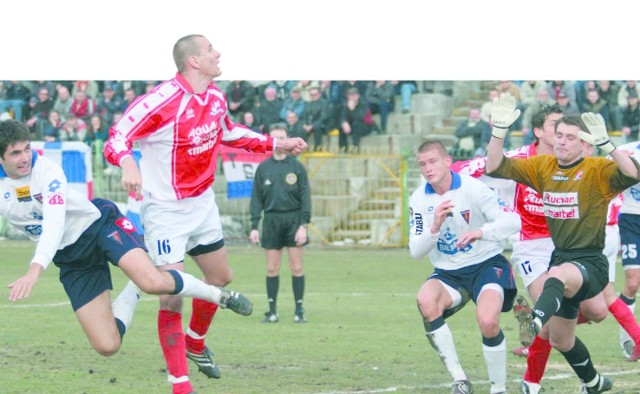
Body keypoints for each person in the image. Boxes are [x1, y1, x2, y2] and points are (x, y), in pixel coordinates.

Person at [103, 34, 308, 394]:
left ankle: (195, 342)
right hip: (166, 211)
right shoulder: (161, 100)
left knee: (221, 277)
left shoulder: (215, 96)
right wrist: (126, 163)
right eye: (211, 49)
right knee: (171, 295)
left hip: (202, 204)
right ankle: (180, 384)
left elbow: (228, 132)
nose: (219, 53)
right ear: (194, 61)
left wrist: (277, 144)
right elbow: (118, 135)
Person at [0, 119, 252, 363]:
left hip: (99, 225)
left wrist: (35, 269)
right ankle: (134, 286)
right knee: (107, 345)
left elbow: (54, 223)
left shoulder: (47, 171)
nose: (25, 158)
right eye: (15, 153)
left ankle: (220, 296)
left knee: (153, 282)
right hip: (71, 257)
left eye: (27, 149)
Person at [485, 93, 640, 393]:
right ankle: (593, 382)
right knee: (561, 339)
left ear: (585, 144)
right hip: (562, 257)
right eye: (559, 136)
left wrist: (608, 145)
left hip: (591, 261)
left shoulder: (598, 169)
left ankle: (535, 320)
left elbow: (633, 172)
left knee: (556, 281)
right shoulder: (543, 166)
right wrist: (498, 132)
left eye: (571, 137)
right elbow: (494, 166)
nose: (562, 141)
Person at [408, 140, 521, 394]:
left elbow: (512, 220)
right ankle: (459, 379)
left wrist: (481, 232)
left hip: (486, 265)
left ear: (448, 161)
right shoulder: (418, 199)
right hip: (449, 273)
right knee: (425, 300)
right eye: (422, 164)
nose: (427, 168)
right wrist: (434, 226)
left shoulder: (474, 188)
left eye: (433, 161)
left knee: (487, 321)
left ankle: (499, 388)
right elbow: (415, 250)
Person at [249, 124, 311, 324]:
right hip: (271, 221)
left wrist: (304, 225)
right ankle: (272, 311)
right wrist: (254, 225)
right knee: (272, 268)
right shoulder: (264, 168)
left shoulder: (297, 167)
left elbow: (305, 198)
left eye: (283, 137)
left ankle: (299, 310)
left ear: (288, 139)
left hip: (293, 221)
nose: (280, 142)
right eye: (276, 138)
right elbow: (256, 199)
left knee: (296, 266)